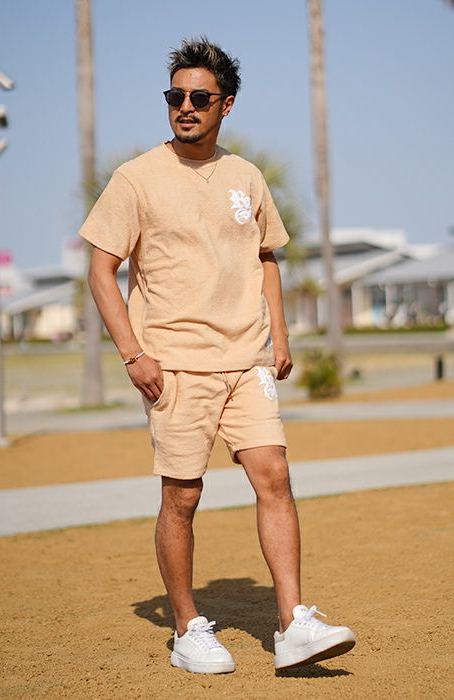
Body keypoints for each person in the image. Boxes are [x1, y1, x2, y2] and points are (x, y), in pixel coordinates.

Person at [78, 36, 355, 674]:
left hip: (247, 359)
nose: (185, 106)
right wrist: (133, 355)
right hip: (173, 365)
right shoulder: (136, 178)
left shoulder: (246, 176)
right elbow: (100, 269)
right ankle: (187, 629)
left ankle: (292, 624)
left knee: (274, 475)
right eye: (175, 95)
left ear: (225, 105)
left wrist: (279, 336)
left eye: (199, 98)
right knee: (183, 496)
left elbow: (266, 257)